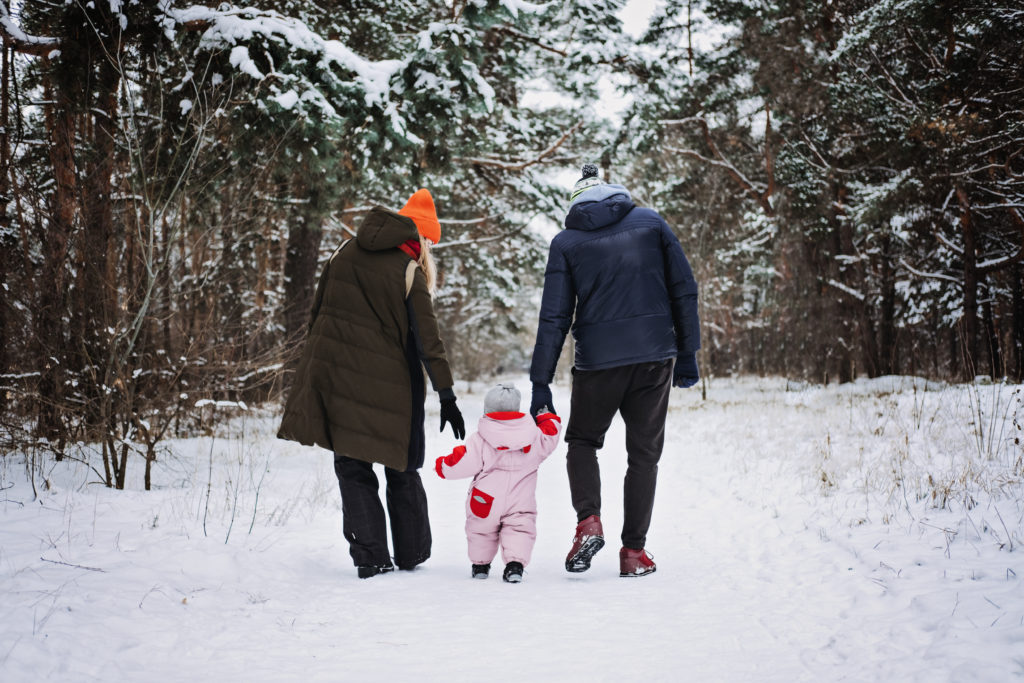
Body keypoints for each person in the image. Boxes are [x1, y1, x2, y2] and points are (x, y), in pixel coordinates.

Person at [278, 188, 466, 579]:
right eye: (428, 241)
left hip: (338, 378)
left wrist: (317, 373)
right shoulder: (408, 269)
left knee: (352, 466)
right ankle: (411, 554)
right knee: (403, 464)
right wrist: (446, 394)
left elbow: (318, 317)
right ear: (419, 236)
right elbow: (427, 340)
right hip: (393, 387)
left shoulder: (342, 252)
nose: (428, 248)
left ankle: (371, 559)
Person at [529, 164, 700, 578]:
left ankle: (589, 521)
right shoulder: (651, 223)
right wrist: (689, 352)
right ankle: (633, 554)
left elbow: (554, 317)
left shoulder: (566, 242)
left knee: (583, 442)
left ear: (575, 204)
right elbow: (684, 286)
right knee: (644, 455)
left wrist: (540, 383)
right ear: (614, 194)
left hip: (598, 363)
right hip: (654, 357)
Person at [434, 383, 561, 583]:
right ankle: (515, 565)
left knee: (480, 530)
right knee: (520, 528)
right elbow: (551, 434)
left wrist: (441, 466)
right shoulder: (534, 437)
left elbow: (462, 461)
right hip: (521, 500)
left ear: (487, 410)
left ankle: (480, 565)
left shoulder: (480, 440)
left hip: (485, 499)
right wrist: (547, 417)